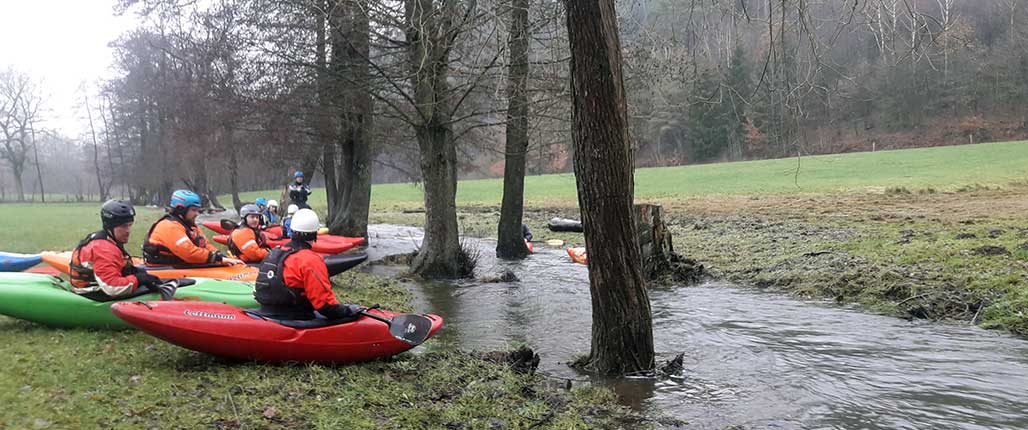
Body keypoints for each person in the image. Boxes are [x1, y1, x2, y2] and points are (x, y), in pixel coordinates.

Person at [254, 209, 360, 320]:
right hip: (295, 317)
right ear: (315, 233)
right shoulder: (310, 260)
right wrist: (347, 310)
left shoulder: (275, 251)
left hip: (266, 311)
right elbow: (325, 306)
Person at [69, 200, 166, 299]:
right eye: (123, 226)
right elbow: (112, 287)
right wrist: (139, 279)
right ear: (110, 227)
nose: (128, 231)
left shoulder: (109, 239)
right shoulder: (104, 249)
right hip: (93, 294)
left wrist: (141, 275)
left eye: (130, 225)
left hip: (100, 288)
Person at [143, 189, 244, 266]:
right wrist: (217, 258)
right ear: (180, 209)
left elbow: (204, 245)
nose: (197, 214)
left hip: (182, 266)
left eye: (197, 210)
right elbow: (189, 253)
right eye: (193, 210)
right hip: (164, 268)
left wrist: (220, 255)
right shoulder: (169, 226)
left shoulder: (189, 225)